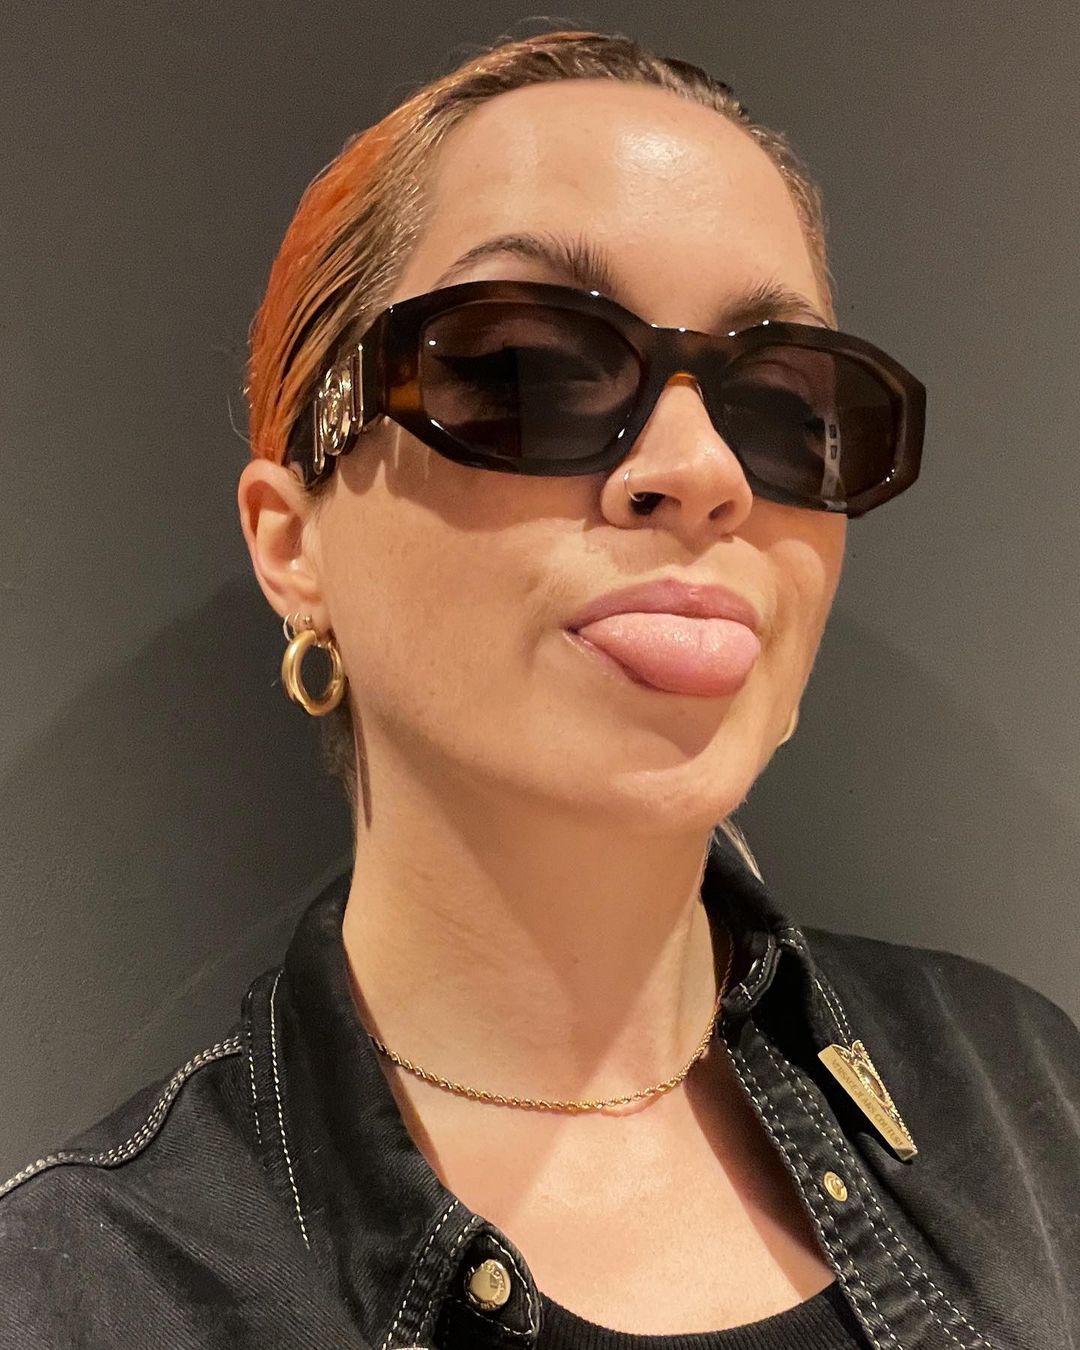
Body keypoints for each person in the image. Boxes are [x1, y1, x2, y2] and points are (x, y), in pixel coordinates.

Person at [2, 26, 1077, 1350]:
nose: (702, 471)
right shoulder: (79, 1298)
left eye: (785, 404)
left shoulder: (1029, 1101)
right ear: (294, 543)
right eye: (526, 367)